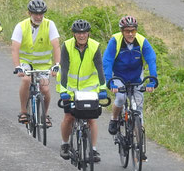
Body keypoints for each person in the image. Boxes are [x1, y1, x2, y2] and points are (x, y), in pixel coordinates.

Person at [103, 15, 157, 160]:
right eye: (127, 31)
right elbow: (107, 61)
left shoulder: (142, 41)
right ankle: (114, 118)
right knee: (120, 98)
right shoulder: (115, 41)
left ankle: (139, 147)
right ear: (122, 31)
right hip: (119, 76)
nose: (130, 34)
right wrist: (110, 82)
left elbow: (151, 59)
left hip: (136, 77)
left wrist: (152, 81)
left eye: (133, 30)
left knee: (138, 111)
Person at [57, 19, 108, 162]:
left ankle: (93, 150)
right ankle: (65, 144)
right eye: (78, 33)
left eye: (84, 33)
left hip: (89, 88)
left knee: (91, 119)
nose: (81, 36)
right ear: (74, 34)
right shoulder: (66, 46)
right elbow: (65, 70)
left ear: (88, 33)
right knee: (69, 117)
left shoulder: (95, 46)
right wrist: (64, 90)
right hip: (71, 89)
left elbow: (99, 68)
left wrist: (103, 89)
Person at [11, 0, 61, 128]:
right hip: (25, 62)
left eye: (41, 14)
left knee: (44, 88)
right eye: (35, 14)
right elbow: (15, 48)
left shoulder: (50, 25)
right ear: (29, 13)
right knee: (26, 80)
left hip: (43, 64)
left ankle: (45, 114)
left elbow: (56, 46)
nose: (39, 17)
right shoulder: (21, 26)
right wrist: (18, 67)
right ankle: (23, 111)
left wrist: (56, 64)